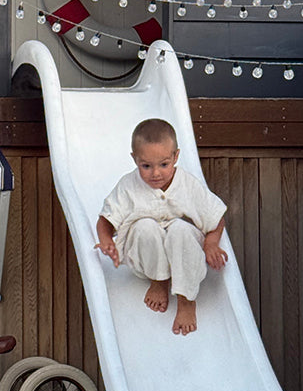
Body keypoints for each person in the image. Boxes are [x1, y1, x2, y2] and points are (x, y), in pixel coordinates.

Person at [94, 117, 228, 336]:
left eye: (164, 164)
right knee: (144, 226)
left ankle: (186, 299)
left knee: (180, 229)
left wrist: (211, 243)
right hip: (144, 258)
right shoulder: (128, 186)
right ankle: (158, 280)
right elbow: (106, 219)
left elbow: (216, 216)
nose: (155, 173)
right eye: (146, 166)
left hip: (184, 255)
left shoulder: (187, 184)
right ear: (135, 159)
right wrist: (107, 240)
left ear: (176, 156)